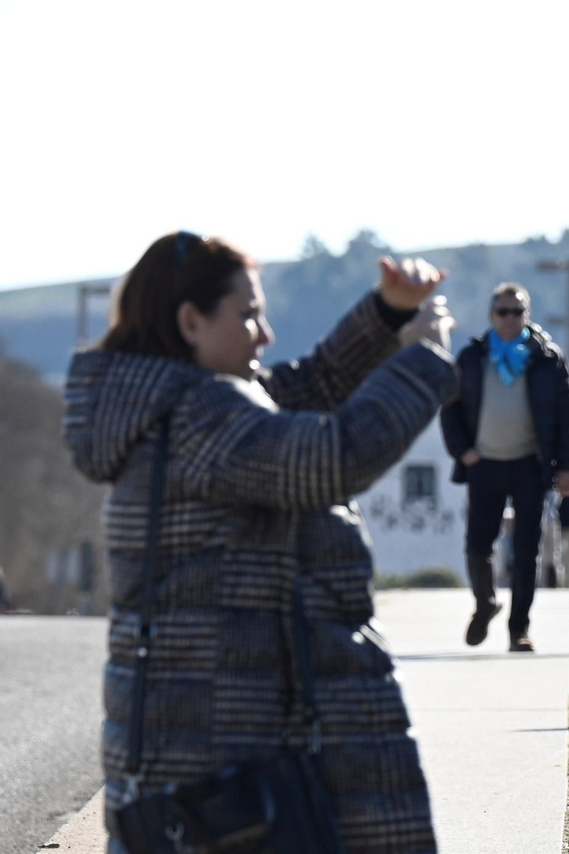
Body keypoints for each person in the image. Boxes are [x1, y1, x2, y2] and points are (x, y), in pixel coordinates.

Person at [63, 232, 455, 853]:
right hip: (234, 781)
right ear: (191, 322)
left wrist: (387, 313)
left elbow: (312, 385)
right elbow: (332, 456)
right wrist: (424, 358)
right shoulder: (197, 417)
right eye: (248, 315)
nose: (266, 333)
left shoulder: (176, 409)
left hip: (222, 766)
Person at [440, 282, 569, 652]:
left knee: (526, 550)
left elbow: (567, 414)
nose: (510, 318)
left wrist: (567, 466)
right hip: (484, 462)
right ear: (491, 315)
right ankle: (485, 602)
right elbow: (449, 407)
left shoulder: (546, 357)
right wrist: (463, 450)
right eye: (503, 311)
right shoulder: (472, 357)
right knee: (478, 544)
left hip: (530, 464)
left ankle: (519, 629)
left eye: (517, 311)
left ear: (527, 315)